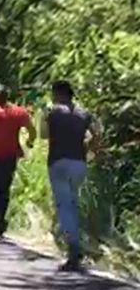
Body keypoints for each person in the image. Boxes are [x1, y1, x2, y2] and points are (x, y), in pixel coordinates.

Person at [41, 80, 102, 272]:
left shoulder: (51, 111)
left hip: (58, 161)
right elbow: (98, 133)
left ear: (57, 93)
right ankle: (76, 246)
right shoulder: (84, 112)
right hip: (79, 162)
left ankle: (73, 251)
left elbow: (43, 135)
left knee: (65, 205)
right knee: (73, 203)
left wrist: (44, 117)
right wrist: (88, 148)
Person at [0, 84, 36, 237]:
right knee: (3, 191)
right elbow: (32, 130)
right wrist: (30, 142)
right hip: (10, 156)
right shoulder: (19, 112)